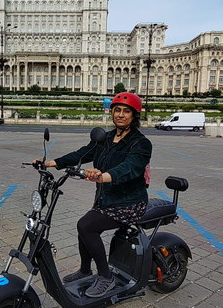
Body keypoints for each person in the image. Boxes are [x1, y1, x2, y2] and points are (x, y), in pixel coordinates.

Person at [34, 92, 152, 298]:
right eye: (117, 110)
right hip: (106, 199)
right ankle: (85, 270)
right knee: (85, 225)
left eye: (126, 111)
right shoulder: (105, 138)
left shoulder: (141, 143)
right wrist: (51, 163)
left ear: (134, 116)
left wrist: (104, 176)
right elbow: (82, 154)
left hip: (130, 202)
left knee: (86, 226)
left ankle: (106, 276)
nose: (121, 115)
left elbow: (130, 167)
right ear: (112, 112)